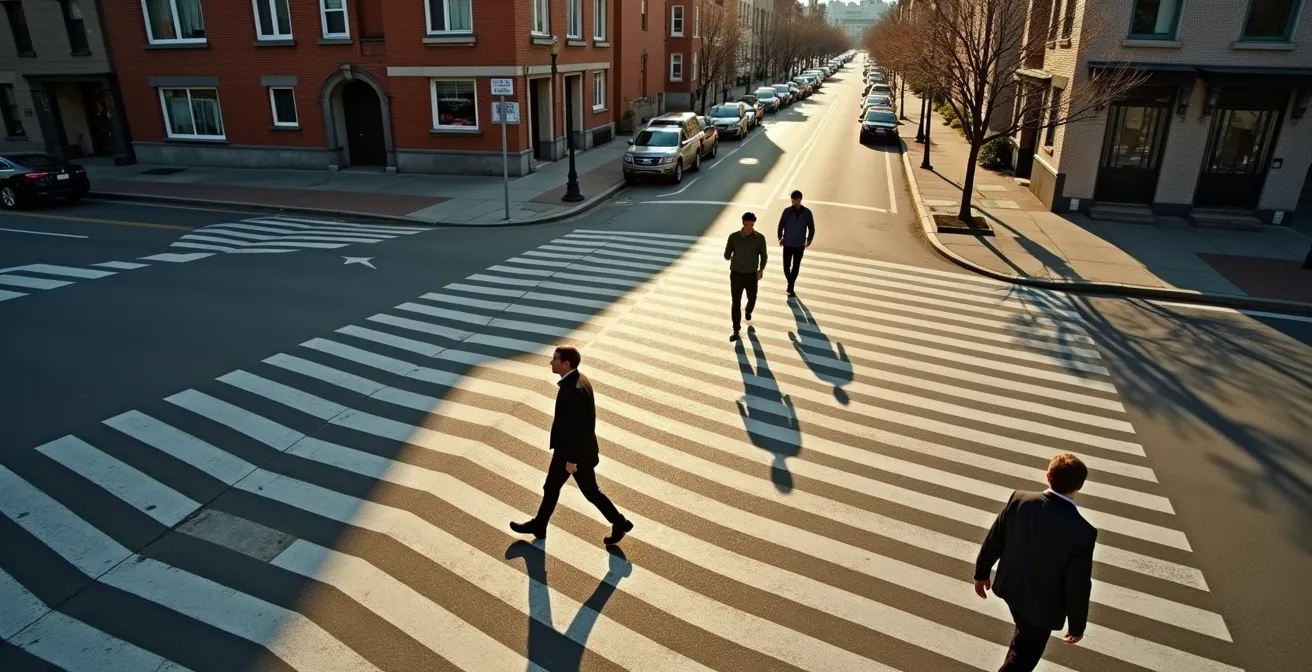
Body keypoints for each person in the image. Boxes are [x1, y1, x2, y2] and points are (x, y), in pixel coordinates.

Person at [974, 453, 1097, 672]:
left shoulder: (1020, 500)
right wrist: (1077, 624)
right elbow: (1078, 584)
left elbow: (995, 538)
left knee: (1021, 642)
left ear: (1048, 475)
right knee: (1022, 660)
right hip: (1042, 608)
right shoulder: (1083, 531)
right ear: (1080, 485)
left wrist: (982, 573)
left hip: (1011, 588)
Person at [511, 345, 634, 545]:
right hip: (573, 451)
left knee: (588, 492)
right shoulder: (577, 380)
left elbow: (579, 429)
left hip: (573, 454)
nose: (551, 362)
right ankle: (540, 525)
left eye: (555, 359)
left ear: (566, 363)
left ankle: (619, 522)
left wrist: (572, 460)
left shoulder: (574, 390)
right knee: (555, 487)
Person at [724, 212, 768, 342]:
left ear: (754, 223)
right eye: (746, 223)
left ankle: (748, 311)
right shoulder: (734, 237)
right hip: (736, 274)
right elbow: (727, 254)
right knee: (735, 302)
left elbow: (764, 255)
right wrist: (729, 255)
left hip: (751, 275)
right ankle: (736, 330)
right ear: (743, 223)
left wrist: (761, 269)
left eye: (751, 224)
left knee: (752, 298)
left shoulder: (759, 238)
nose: (748, 226)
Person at [777, 190, 815, 296]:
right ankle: (790, 283)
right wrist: (780, 238)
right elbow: (781, 226)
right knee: (786, 266)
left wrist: (809, 240)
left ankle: (790, 287)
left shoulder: (807, 213)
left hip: (799, 245)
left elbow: (811, 228)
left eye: (796, 200)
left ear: (800, 199)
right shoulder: (787, 211)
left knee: (796, 266)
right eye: (793, 200)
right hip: (788, 244)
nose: (794, 202)